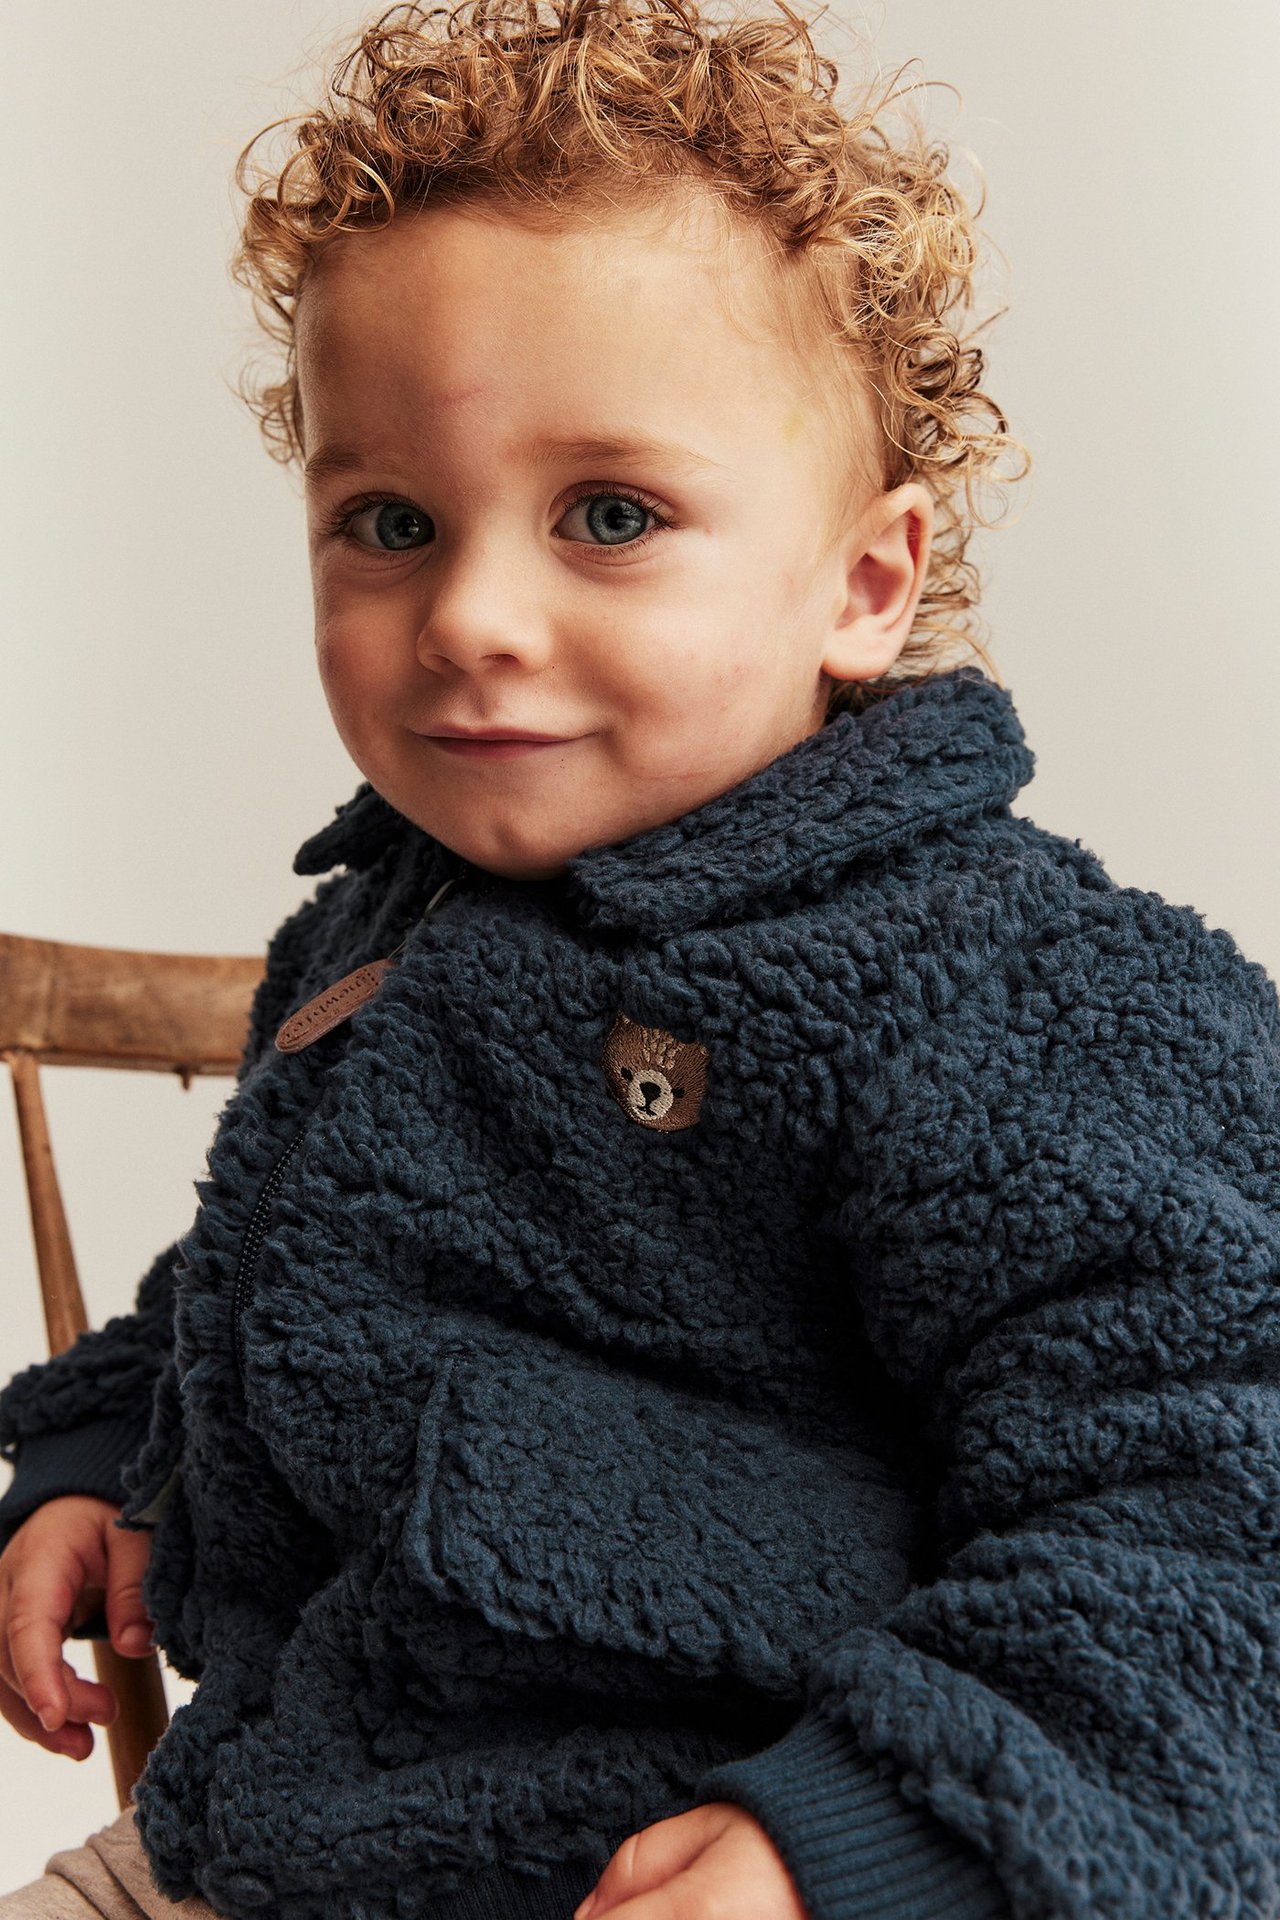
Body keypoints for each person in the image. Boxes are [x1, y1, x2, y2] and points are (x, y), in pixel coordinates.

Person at [2, 0, 1278, 1914]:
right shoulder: (389, 935)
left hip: (745, 1856)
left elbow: (1211, 1498)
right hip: (297, 1833)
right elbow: (294, 1262)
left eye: (611, 516)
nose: (474, 616)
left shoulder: (1006, 997)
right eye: (389, 522)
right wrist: (119, 1457)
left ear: (866, 580)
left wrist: (863, 1834)